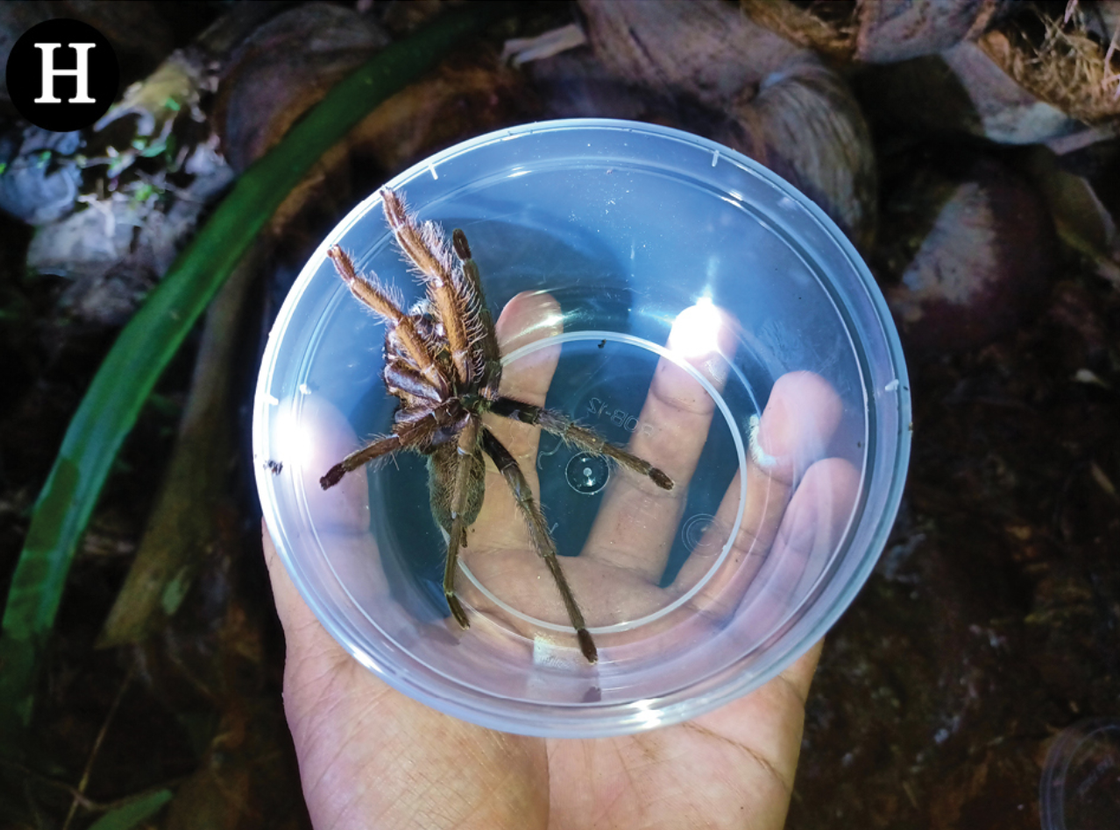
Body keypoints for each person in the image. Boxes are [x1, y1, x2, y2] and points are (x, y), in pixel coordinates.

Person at [262, 292, 855, 829]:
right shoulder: (426, 393)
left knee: (519, 463)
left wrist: (452, 274)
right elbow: (411, 391)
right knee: (502, 467)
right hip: (448, 440)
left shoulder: (467, 381)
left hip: (464, 433)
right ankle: (453, 578)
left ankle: (463, 573)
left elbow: (462, 324)